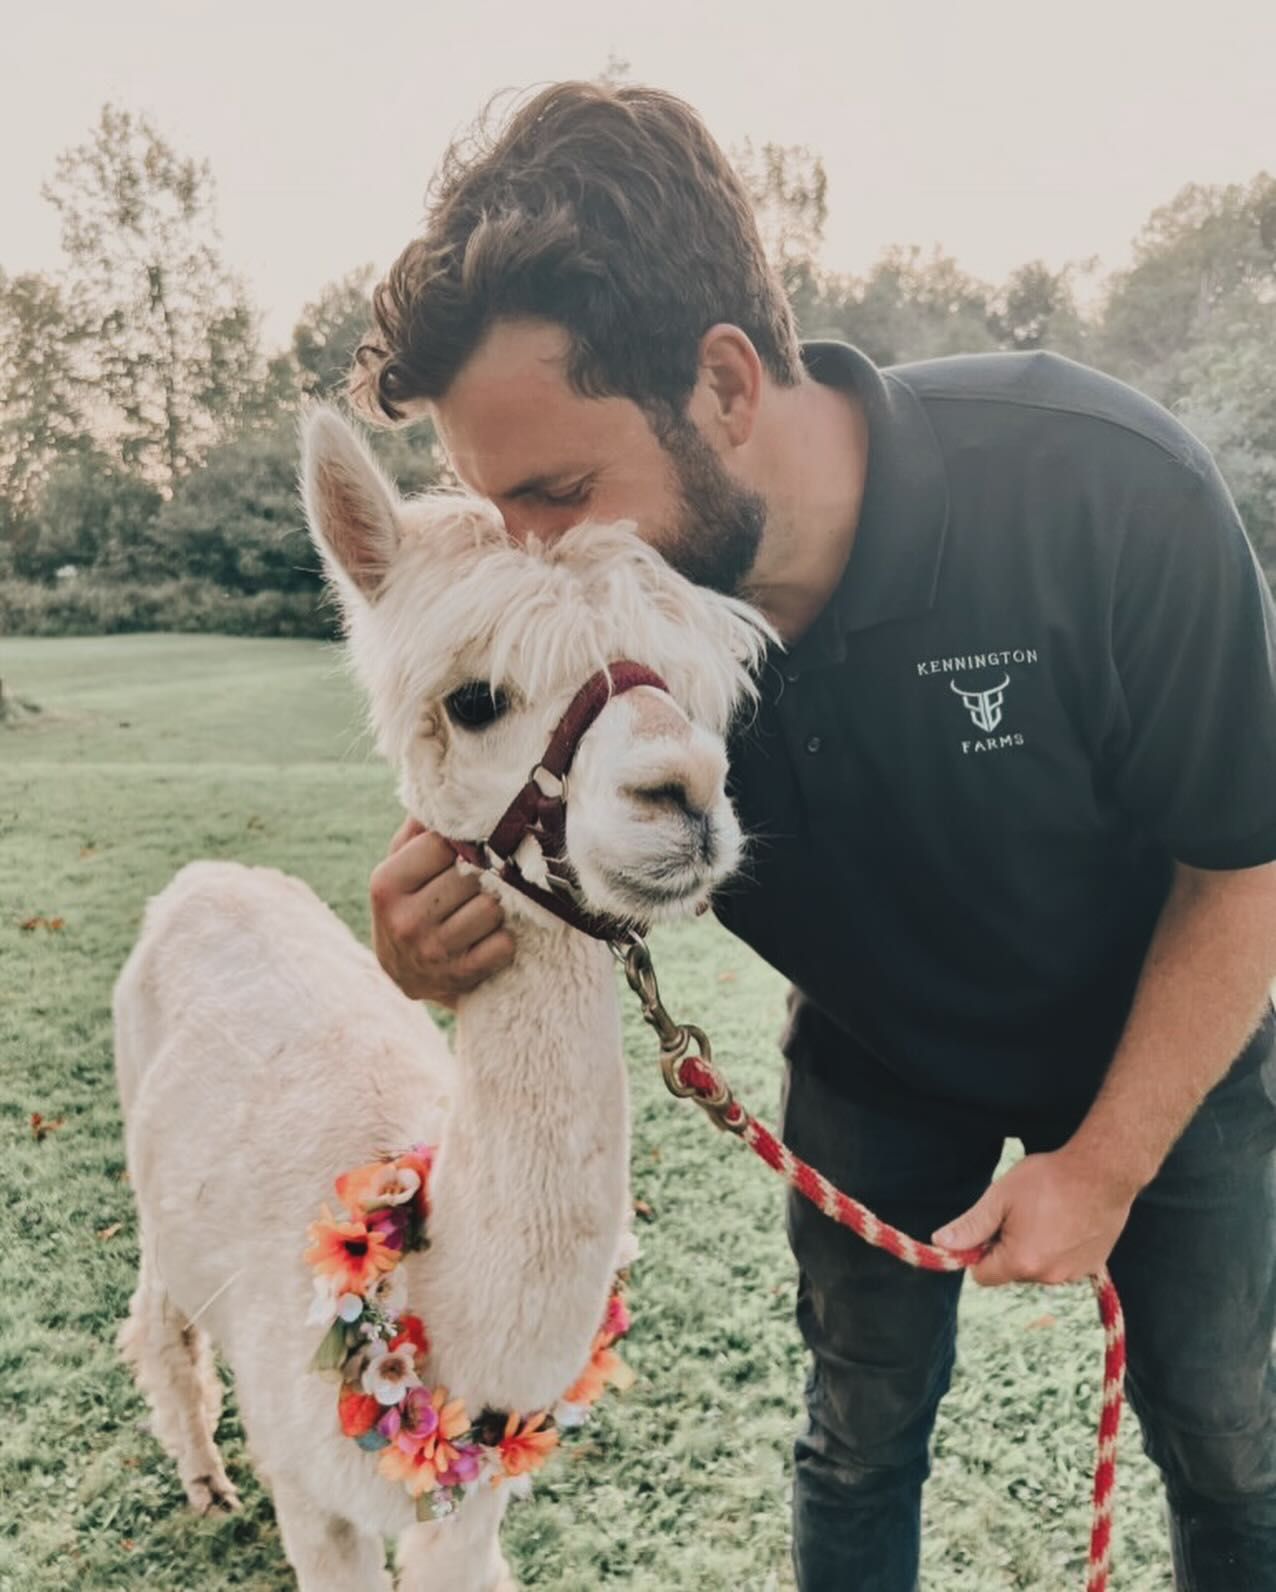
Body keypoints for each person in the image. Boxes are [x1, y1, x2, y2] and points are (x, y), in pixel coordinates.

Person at [352, 80, 1276, 1591]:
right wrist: (422, 916)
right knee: (856, 1437)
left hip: (1165, 1028)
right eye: (495, 512)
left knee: (1230, 1437)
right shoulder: (604, 630)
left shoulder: (1106, 494)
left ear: (723, 385)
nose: (539, 559)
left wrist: (1105, 1163)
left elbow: (1246, 866)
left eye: (563, 493)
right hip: (874, 1056)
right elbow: (486, 793)